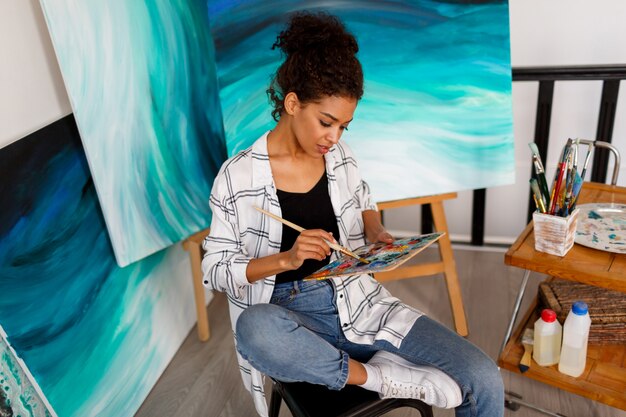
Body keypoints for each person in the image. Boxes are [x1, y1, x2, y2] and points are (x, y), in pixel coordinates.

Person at [202, 11, 504, 417]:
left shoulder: (339, 156)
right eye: (327, 123)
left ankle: (377, 368)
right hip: (290, 318)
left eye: (344, 126)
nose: (334, 137)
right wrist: (287, 259)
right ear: (292, 103)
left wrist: (375, 228)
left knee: (483, 378)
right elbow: (214, 269)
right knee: (254, 330)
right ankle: (378, 377)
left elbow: (363, 195)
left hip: (358, 301)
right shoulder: (236, 176)